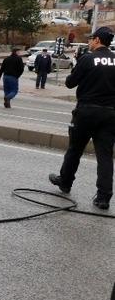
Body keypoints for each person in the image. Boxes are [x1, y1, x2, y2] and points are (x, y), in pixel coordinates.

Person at [48, 26, 115, 210]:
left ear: (98, 40)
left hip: (86, 111)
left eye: (91, 39)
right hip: (110, 114)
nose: (90, 41)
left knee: (75, 149)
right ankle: (103, 197)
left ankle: (65, 182)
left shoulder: (88, 58)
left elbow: (70, 83)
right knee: (105, 156)